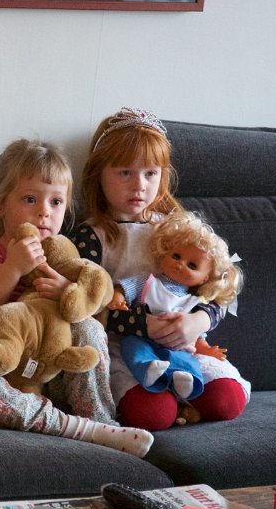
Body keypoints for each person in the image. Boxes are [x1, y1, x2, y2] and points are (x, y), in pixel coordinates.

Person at [0, 138, 154, 457]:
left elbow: (95, 320)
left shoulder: (63, 257)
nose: (44, 212)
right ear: (1, 205)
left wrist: (68, 293)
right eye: (30, 199)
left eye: (56, 202)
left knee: (89, 329)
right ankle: (73, 428)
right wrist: (11, 269)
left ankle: (100, 420)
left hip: (48, 373)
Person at [70, 107, 250, 430]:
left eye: (150, 174)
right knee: (154, 414)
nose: (139, 185)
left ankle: (185, 394)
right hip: (125, 346)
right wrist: (144, 325)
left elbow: (216, 289)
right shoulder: (91, 237)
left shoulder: (176, 229)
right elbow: (89, 307)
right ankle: (173, 401)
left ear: (163, 176)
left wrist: (197, 321)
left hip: (184, 341)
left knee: (227, 400)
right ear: (99, 174)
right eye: (125, 172)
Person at [109, 209, 243, 402]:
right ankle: (149, 370)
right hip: (141, 337)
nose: (180, 264)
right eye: (176, 256)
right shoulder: (148, 282)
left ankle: (185, 380)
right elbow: (124, 287)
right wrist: (118, 298)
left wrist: (206, 349)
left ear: (204, 278)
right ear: (164, 254)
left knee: (186, 359)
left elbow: (197, 335)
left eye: (192, 266)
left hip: (177, 346)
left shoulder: (195, 301)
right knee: (131, 347)